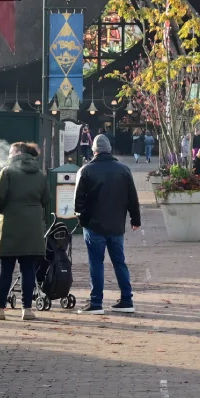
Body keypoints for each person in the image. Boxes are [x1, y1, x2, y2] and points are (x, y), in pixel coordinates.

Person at [73, 132, 141, 314]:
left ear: (94, 150)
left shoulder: (86, 170)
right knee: (119, 261)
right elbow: (132, 197)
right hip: (116, 224)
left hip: (94, 224)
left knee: (96, 263)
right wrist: (135, 219)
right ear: (109, 150)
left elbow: (78, 202)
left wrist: (83, 220)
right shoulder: (124, 169)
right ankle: (127, 299)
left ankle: (96, 302)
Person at [0, 142, 51, 321]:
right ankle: (27, 310)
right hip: (33, 227)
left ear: (18, 153)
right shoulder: (40, 174)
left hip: (10, 225)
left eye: (11, 152)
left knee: (6, 268)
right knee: (28, 269)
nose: (9, 155)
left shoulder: (7, 172)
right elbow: (46, 199)